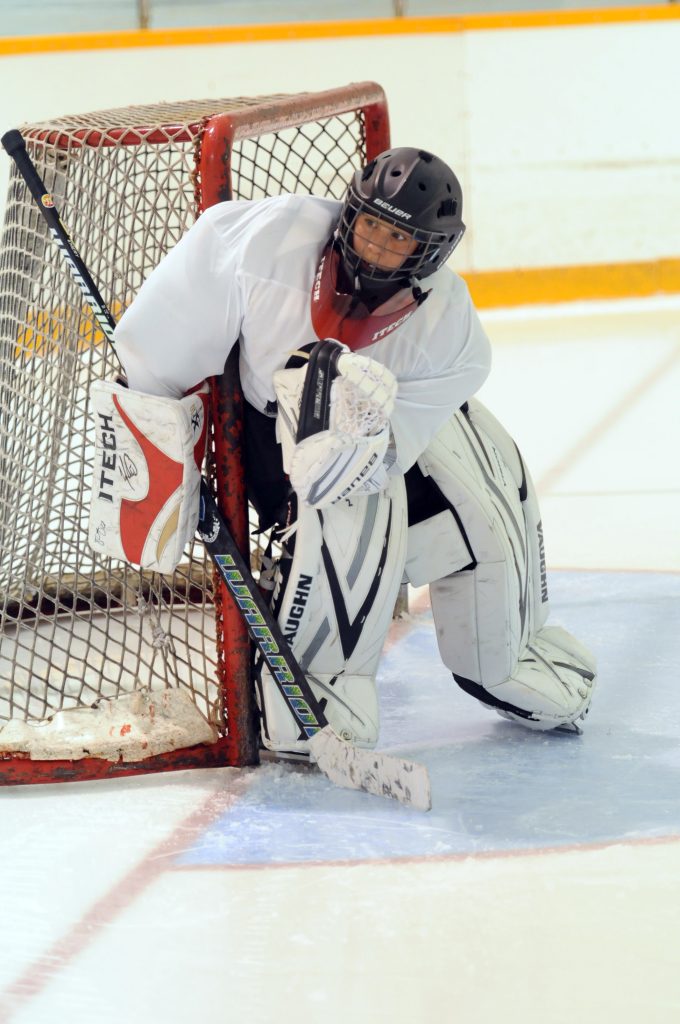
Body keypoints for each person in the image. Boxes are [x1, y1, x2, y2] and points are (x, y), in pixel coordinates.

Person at [93, 147, 596, 758]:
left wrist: (354, 455)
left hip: (372, 444)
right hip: (264, 435)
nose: (379, 247)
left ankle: (515, 647)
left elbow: (400, 443)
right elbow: (153, 357)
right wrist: (167, 456)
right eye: (372, 226)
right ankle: (323, 680)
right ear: (348, 214)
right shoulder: (260, 243)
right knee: (327, 429)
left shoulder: (449, 329)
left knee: (478, 465)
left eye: (399, 239)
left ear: (430, 253)